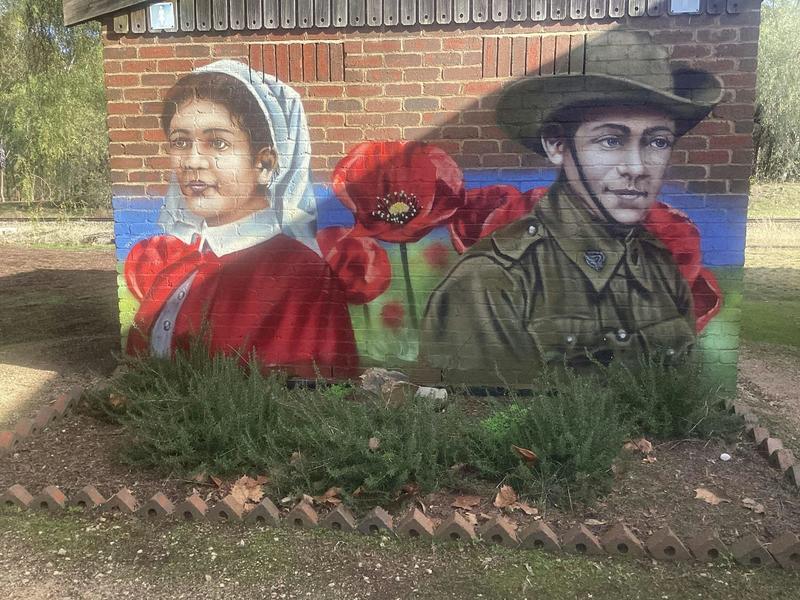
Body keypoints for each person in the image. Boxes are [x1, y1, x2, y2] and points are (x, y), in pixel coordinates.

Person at [420, 32, 723, 386]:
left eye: (657, 141)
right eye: (611, 140)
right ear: (557, 145)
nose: (637, 167)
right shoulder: (490, 283)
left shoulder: (658, 265)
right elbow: (481, 422)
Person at [124, 59, 358, 378]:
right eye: (180, 142)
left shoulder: (303, 278)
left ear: (264, 163)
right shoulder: (182, 268)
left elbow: (309, 394)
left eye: (217, 142)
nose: (192, 162)